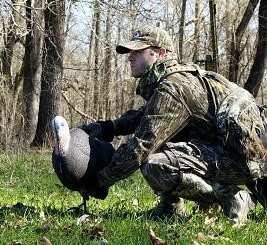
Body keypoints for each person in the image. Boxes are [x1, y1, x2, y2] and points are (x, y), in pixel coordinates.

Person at [80, 25, 267, 223]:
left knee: (155, 165)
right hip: (240, 155)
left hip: (242, 160)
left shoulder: (172, 88)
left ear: (160, 53)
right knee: (163, 143)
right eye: (130, 52)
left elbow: (140, 147)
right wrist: (109, 127)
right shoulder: (174, 80)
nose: (130, 57)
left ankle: (232, 198)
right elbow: (147, 116)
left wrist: (101, 180)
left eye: (138, 51)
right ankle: (171, 207)